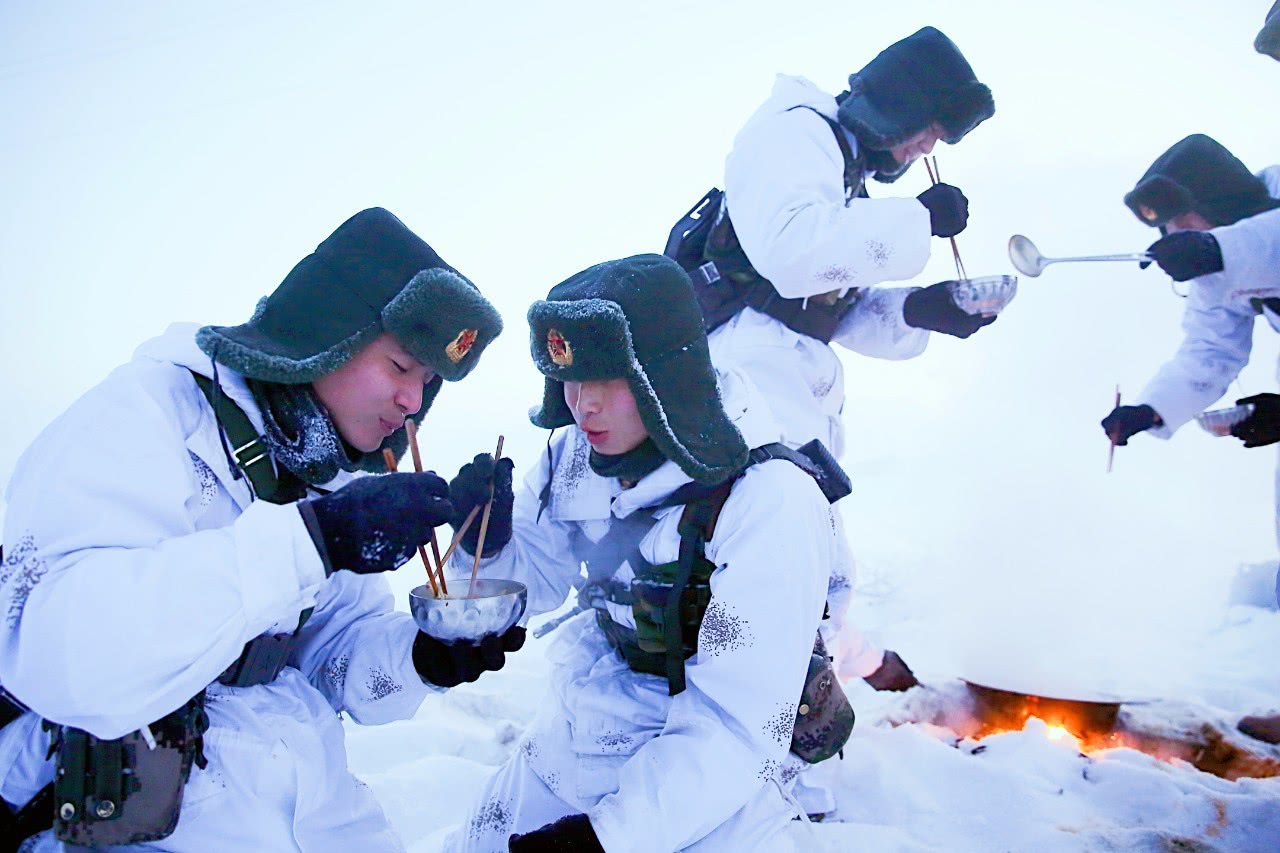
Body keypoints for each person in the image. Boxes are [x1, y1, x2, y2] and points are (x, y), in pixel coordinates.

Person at [0, 207, 524, 850]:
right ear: (329, 332)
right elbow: (65, 660)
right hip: (135, 814)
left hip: (313, 810)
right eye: (398, 367)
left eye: (429, 382)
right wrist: (313, 541)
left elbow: (330, 666)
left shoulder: (329, 474)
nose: (415, 401)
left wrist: (421, 657)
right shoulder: (149, 416)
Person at [441, 254, 844, 851]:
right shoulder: (571, 458)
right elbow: (525, 588)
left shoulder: (768, 499)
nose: (584, 405)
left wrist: (607, 839)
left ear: (663, 375)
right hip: (583, 728)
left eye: (606, 378)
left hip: (718, 777)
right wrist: (486, 543)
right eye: (570, 379)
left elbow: (740, 722)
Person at [667, 25, 997, 699]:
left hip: (788, 372)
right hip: (745, 373)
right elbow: (792, 256)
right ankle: (769, 719)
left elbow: (830, 304)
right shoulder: (794, 132)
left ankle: (811, 688)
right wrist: (918, 221)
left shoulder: (841, 170)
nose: (927, 147)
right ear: (898, 105)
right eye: (927, 129)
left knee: (813, 554)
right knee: (779, 554)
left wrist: (927, 310)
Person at [1095, 136, 1280, 743]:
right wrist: (1153, 409)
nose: (1177, 233)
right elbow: (1211, 349)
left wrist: (1215, 248)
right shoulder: (1227, 260)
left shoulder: (1261, 222)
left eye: (1183, 220)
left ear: (1221, 202)